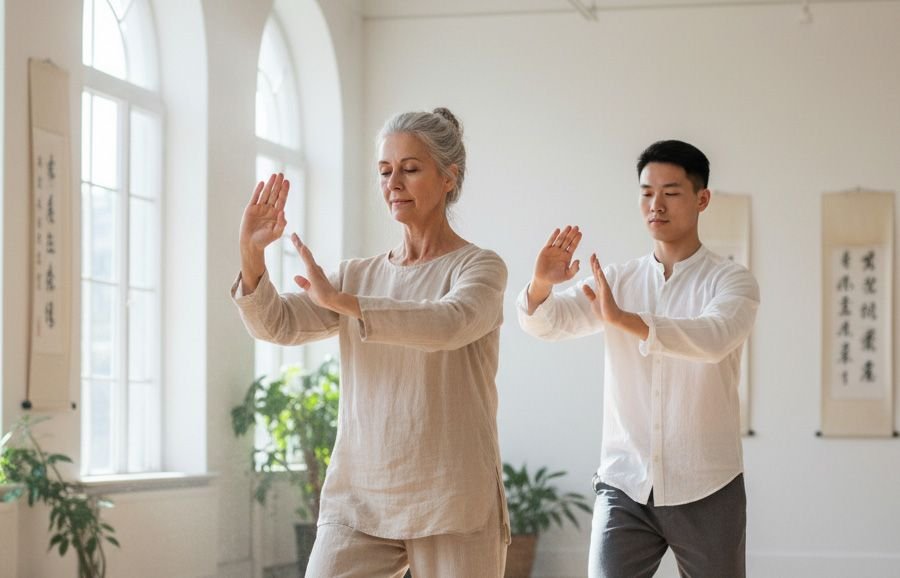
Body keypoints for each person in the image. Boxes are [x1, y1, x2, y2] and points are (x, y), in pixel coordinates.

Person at [231, 108, 509, 577]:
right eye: (385, 171)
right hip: (359, 497)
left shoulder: (479, 267)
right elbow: (277, 324)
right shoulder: (356, 275)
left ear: (449, 178)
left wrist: (347, 303)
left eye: (410, 169)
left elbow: (450, 323)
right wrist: (251, 253)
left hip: (451, 496)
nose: (393, 183)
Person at [518, 140, 759, 578]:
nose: (656, 205)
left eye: (670, 192)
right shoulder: (618, 279)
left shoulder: (733, 281)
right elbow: (548, 323)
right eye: (647, 193)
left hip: (708, 483)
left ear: (702, 199)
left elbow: (714, 338)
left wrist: (626, 320)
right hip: (625, 483)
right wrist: (540, 284)